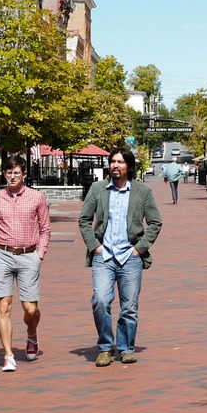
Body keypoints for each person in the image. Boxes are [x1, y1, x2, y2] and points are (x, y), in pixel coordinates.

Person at [78, 147, 162, 367]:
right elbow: (84, 220)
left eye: (121, 162)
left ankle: (125, 348)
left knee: (129, 307)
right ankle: (106, 347)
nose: (116, 165)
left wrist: (139, 249)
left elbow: (155, 222)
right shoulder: (97, 189)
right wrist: (95, 247)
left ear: (129, 166)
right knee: (100, 300)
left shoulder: (142, 191)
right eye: (113, 161)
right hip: (103, 256)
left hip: (130, 257)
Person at [0, 154, 52, 372]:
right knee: (4, 306)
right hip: (3, 255)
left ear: (24, 174)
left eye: (17, 173)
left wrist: (39, 254)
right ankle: (8, 355)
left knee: (30, 309)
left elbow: (45, 229)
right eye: (9, 173)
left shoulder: (37, 197)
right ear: (4, 174)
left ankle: (31, 335)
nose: (12, 177)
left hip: (28, 255)